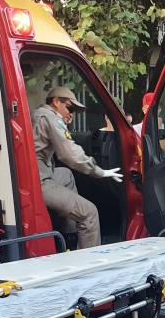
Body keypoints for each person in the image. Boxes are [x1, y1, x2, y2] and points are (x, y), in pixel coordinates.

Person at [32, 87, 123, 248]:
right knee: (89, 213)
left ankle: (69, 238)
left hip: (37, 173)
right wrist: (98, 171)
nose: (71, 114)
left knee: (65, 175)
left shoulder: (38, 113)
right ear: (55, 102)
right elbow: (69, 154)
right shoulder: (50, 118)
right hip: (38, 180)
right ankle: (89, 266)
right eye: (70, 108)